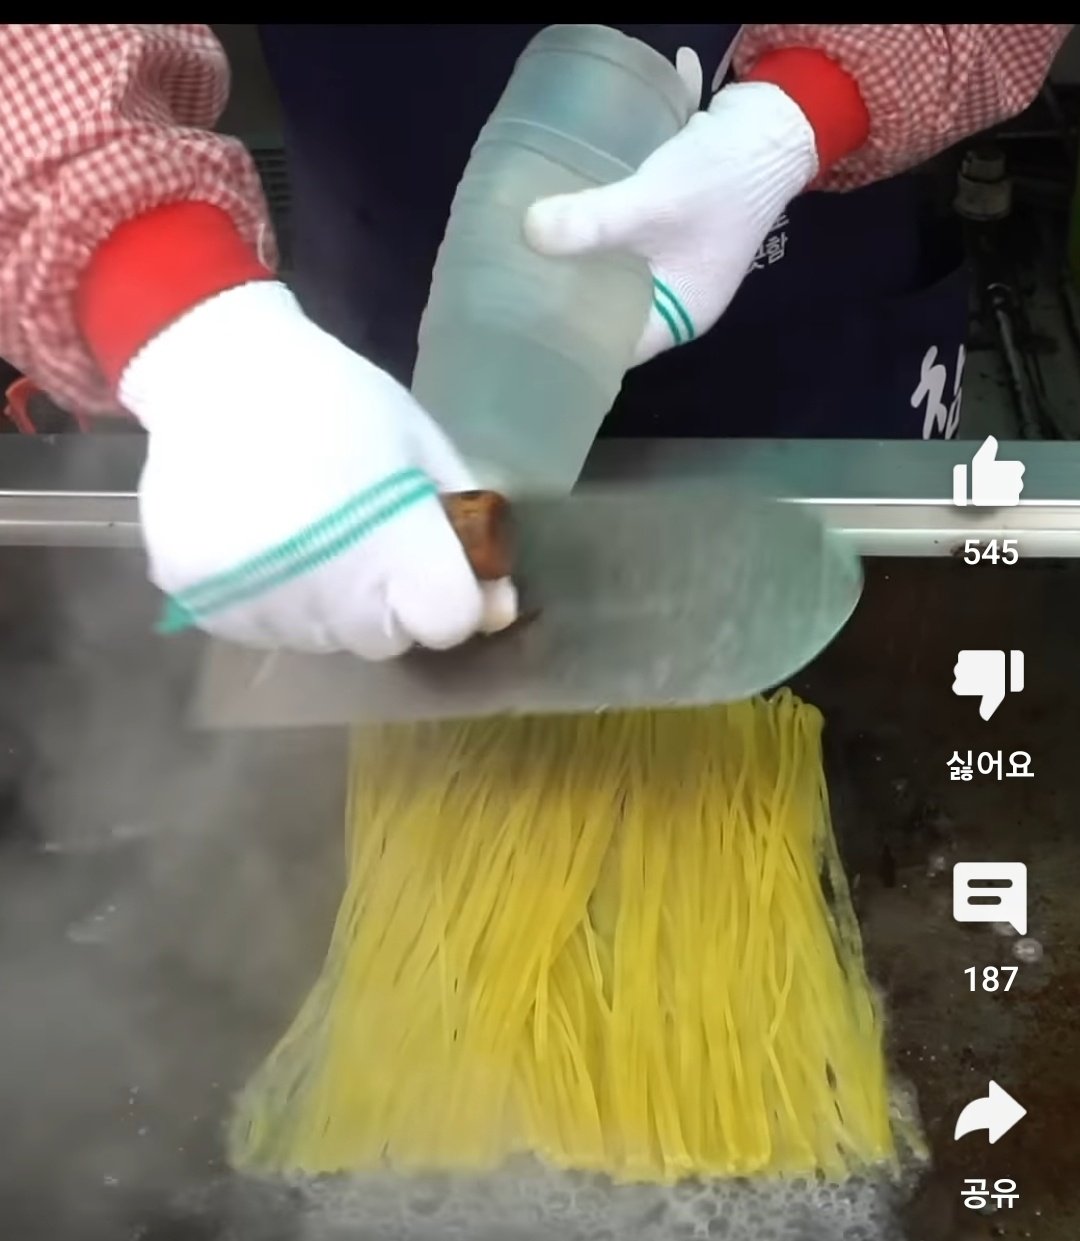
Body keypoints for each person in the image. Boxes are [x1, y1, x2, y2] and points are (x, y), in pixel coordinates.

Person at [0, 24, 1070, 659]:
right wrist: (195, 330)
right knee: (416, 640)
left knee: (847, 700)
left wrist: (797, 116)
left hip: (805, 320)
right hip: (379, 346)